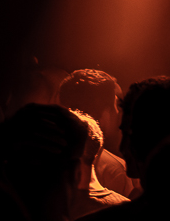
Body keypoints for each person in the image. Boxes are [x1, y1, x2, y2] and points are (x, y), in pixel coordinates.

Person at [57, 68, 135, 197]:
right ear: (102, 114)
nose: (118, 112)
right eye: (116, 105)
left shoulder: (46, 156)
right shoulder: (115, 171)